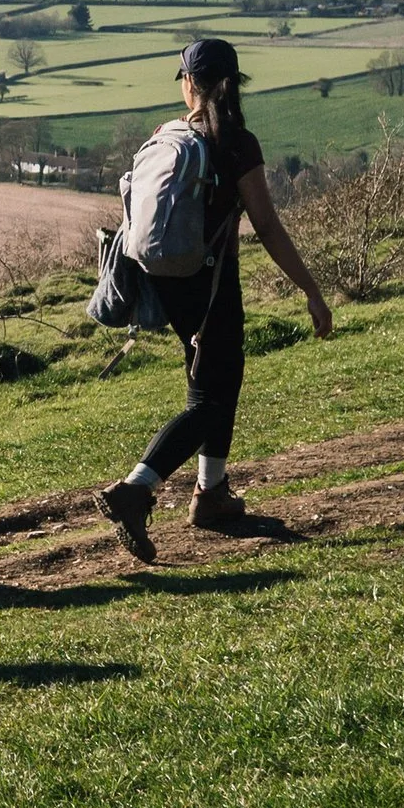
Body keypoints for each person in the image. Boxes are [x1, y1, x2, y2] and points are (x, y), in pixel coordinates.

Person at [94, 39, 334, 562]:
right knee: (212, 399)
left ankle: (212, 492)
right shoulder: (236, 144)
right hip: (211, 282)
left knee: (217, 377)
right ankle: (135, 490)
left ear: (189, 84)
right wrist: (311, 290)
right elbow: (266, 225)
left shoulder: (167, 134)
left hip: (165, 282)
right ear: (235, 83)